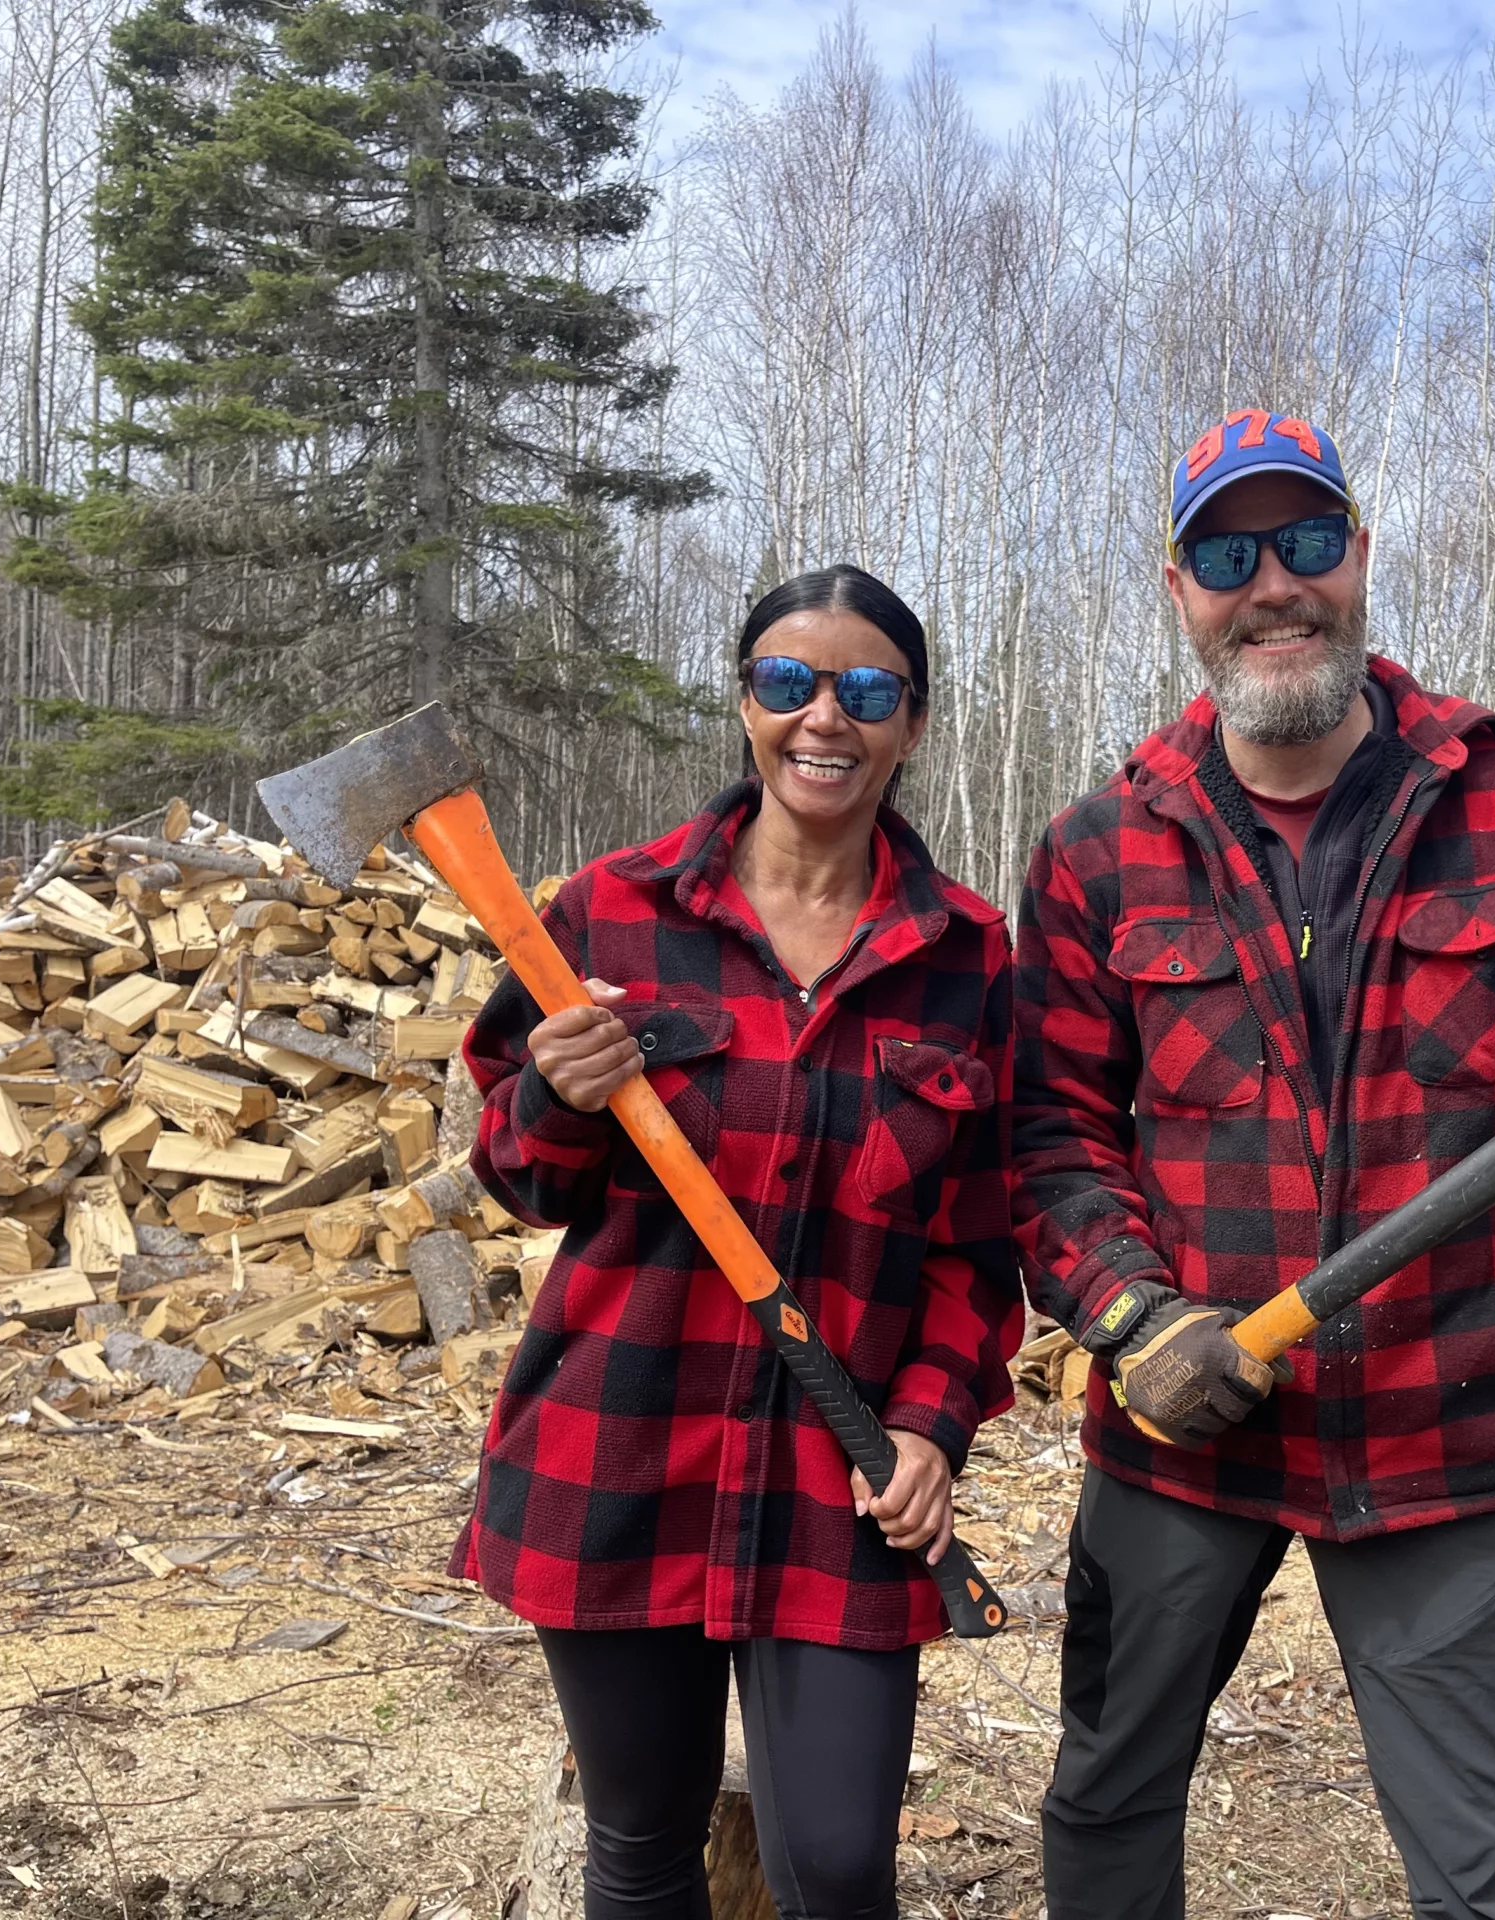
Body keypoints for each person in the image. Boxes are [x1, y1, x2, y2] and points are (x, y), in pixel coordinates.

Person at [1012, 411, 1495, 1920]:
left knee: (1478, 1872)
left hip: (1454, 1425)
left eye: (1307, 542)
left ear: (1362, 556)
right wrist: (1135, 1320)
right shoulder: (1097, 848)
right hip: (1187, 1426)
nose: (1272, 584)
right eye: (1225, 553)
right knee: (1105, 1799)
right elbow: (1054, 1134)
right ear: (1177, 588)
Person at [455, 564, 1023, 1920]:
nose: (824, 718)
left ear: (913, 724)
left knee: (835, 1865)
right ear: (747, 704)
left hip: (846, 1469)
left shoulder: (971, 958)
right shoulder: (606, 914)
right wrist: (554, 1095)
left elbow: (978, 1246)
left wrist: (936, 1427)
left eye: (866, 690)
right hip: (620, 1446)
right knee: (641, 1845)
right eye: (789, 684)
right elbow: (518, 1182)